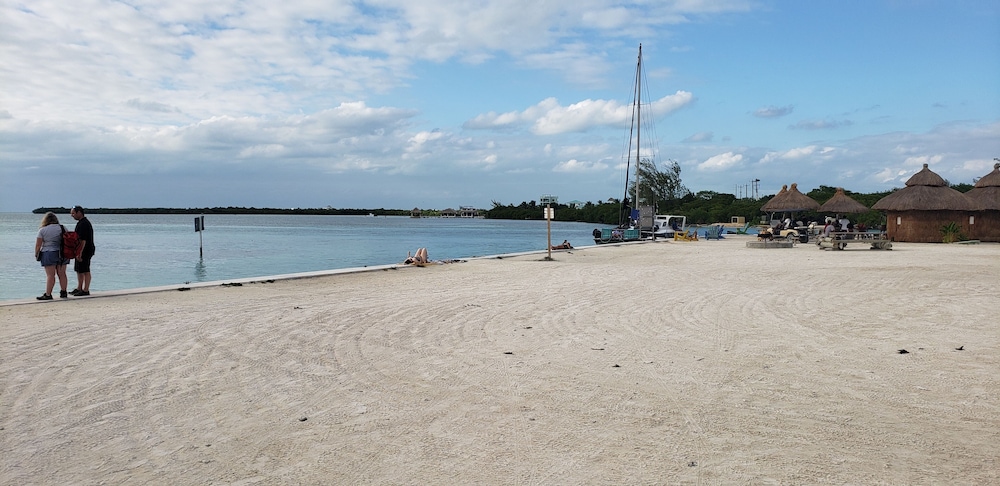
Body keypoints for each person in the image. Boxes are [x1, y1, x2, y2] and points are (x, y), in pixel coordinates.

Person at [34, 212, 70, 300]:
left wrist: (36, 254)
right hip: (62, 253)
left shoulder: (42, 230)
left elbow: (38, 245)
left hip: (48, 252)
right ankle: (63, 292)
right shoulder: (62, 228)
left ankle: (48, 294)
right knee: (62, 274)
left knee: (50, 275)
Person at [70, 205, 94, 296]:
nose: (72, 215)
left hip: (85, 250)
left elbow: (83, 240)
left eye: (73, 213)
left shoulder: (84, 224)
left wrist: (80, 252)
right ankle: (79, 287)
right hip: (81, 249)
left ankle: (86, 289)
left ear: (79, 212)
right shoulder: (81, 223)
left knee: (85, 269)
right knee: (79, 269)